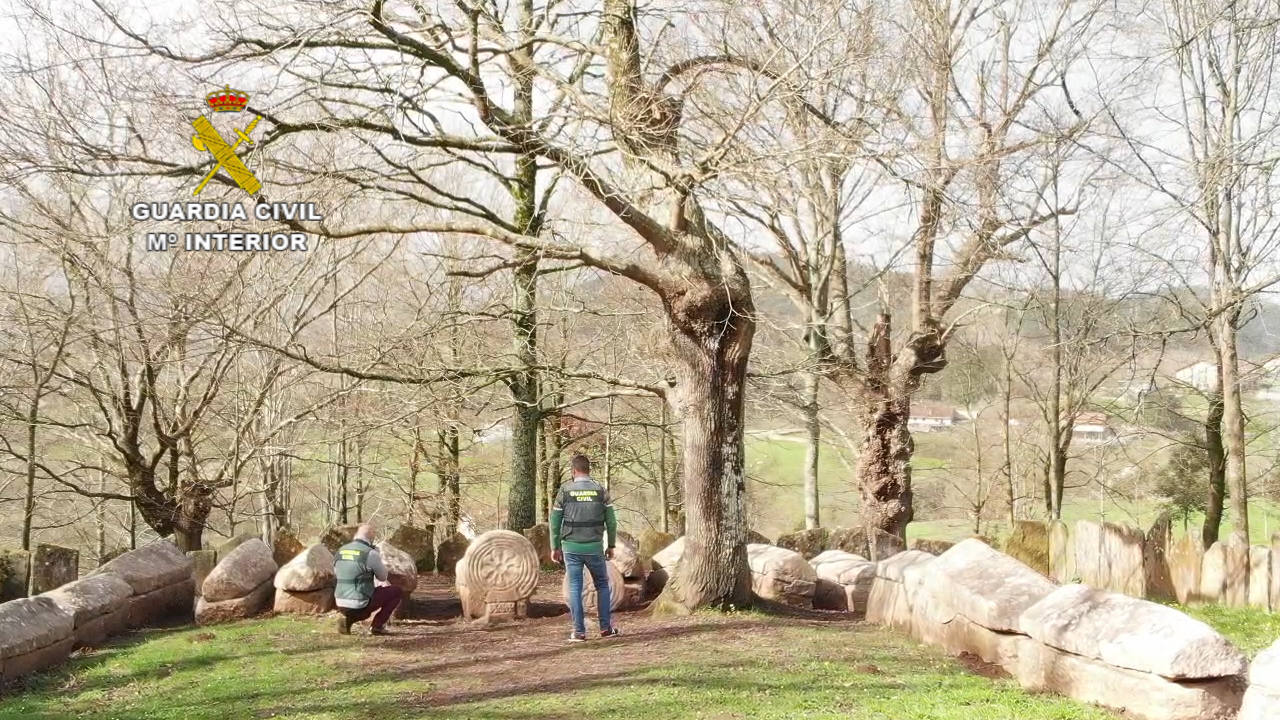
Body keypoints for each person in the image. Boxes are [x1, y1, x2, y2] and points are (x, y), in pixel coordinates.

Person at [551, 454, 621, 642]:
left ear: (573, 471)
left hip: (571, 548)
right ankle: (606, 628)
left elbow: (555, 522)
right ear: (588, 470)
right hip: (594, 547)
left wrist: (555, 546)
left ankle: (579, 632)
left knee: (575, 587)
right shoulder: (600, 490)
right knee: (602, 585)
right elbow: (612, 522)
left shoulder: (565, 491)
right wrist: (611, 545)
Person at [333, 524, 403, 635]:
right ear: (371, 538)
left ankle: (347, 621)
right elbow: (383, 577)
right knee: (396, 592)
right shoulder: (370, 553)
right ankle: (377, 626)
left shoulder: (340, 551)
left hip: (339, 601)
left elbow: (337, 573)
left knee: (359, 603)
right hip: (360, 603)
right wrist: (377, 557)